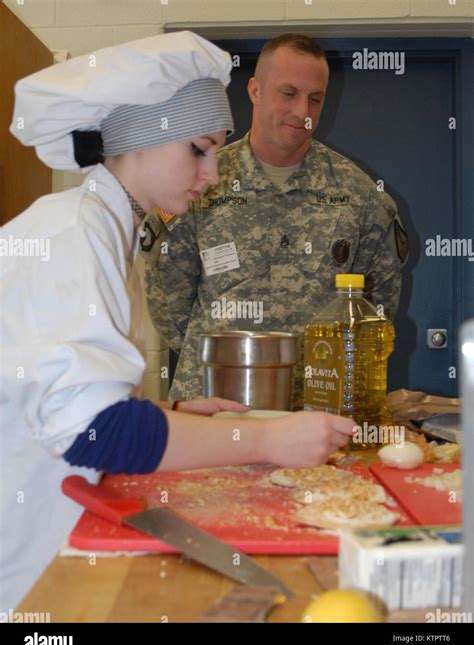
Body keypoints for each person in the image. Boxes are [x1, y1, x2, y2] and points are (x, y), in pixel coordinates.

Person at [0, 32, 355, 613]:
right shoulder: (74, 237)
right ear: (141, 140)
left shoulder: (107, 230)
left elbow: (65, 402)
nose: (213, 173)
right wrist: (265, 438)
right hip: (26, 567)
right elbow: (94, 433)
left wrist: (172, 415)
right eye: (200, 149)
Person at [143, 33, 409, 406]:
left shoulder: (358, 194)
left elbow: (375, 307)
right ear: (254, 90)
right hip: (214, 402)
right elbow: (168, 302)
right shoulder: (199, 181)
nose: (303, 111)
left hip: (318, 406)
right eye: (288, 93)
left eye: (315, 98)